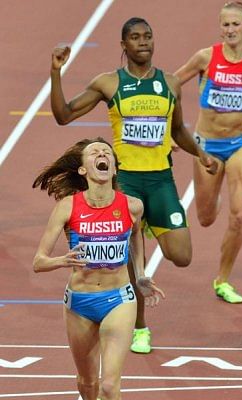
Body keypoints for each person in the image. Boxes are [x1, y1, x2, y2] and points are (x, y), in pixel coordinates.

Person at [50, 17, 217, 353]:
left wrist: (200, 153)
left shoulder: (169, 84)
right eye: (136, 38)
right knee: (129, 257)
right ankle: (140, 326)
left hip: (160, 180)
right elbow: (64, 114)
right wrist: (56, 72)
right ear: (123, 46)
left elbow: (178, 130)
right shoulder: (109, 83)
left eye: (148, 37)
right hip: (125, 181)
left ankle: (150, 227)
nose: (143, 42)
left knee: (181, 255)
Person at [32, 137, 164, 400]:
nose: (102, 155)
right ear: (83, 169)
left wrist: (139, 277)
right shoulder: (66, 207)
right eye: (94, 154)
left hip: (118, 300)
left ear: (114, 168)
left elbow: (135, 241)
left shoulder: (133, 206)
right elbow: (38, 261)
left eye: (107, 152)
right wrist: (62, 261)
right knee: (87, 383)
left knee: (110, 386)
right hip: (79, 303)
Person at [175, 1, 242, 303]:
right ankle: (216, 192)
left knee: (239, 217)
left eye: (236, 24)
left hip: (241, 145)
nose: (230, 30)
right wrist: (170, 127)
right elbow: (170, 84)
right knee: (206, 217)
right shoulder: (205, 58)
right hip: (206, 146)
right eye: (225, 24)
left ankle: (222, 279)